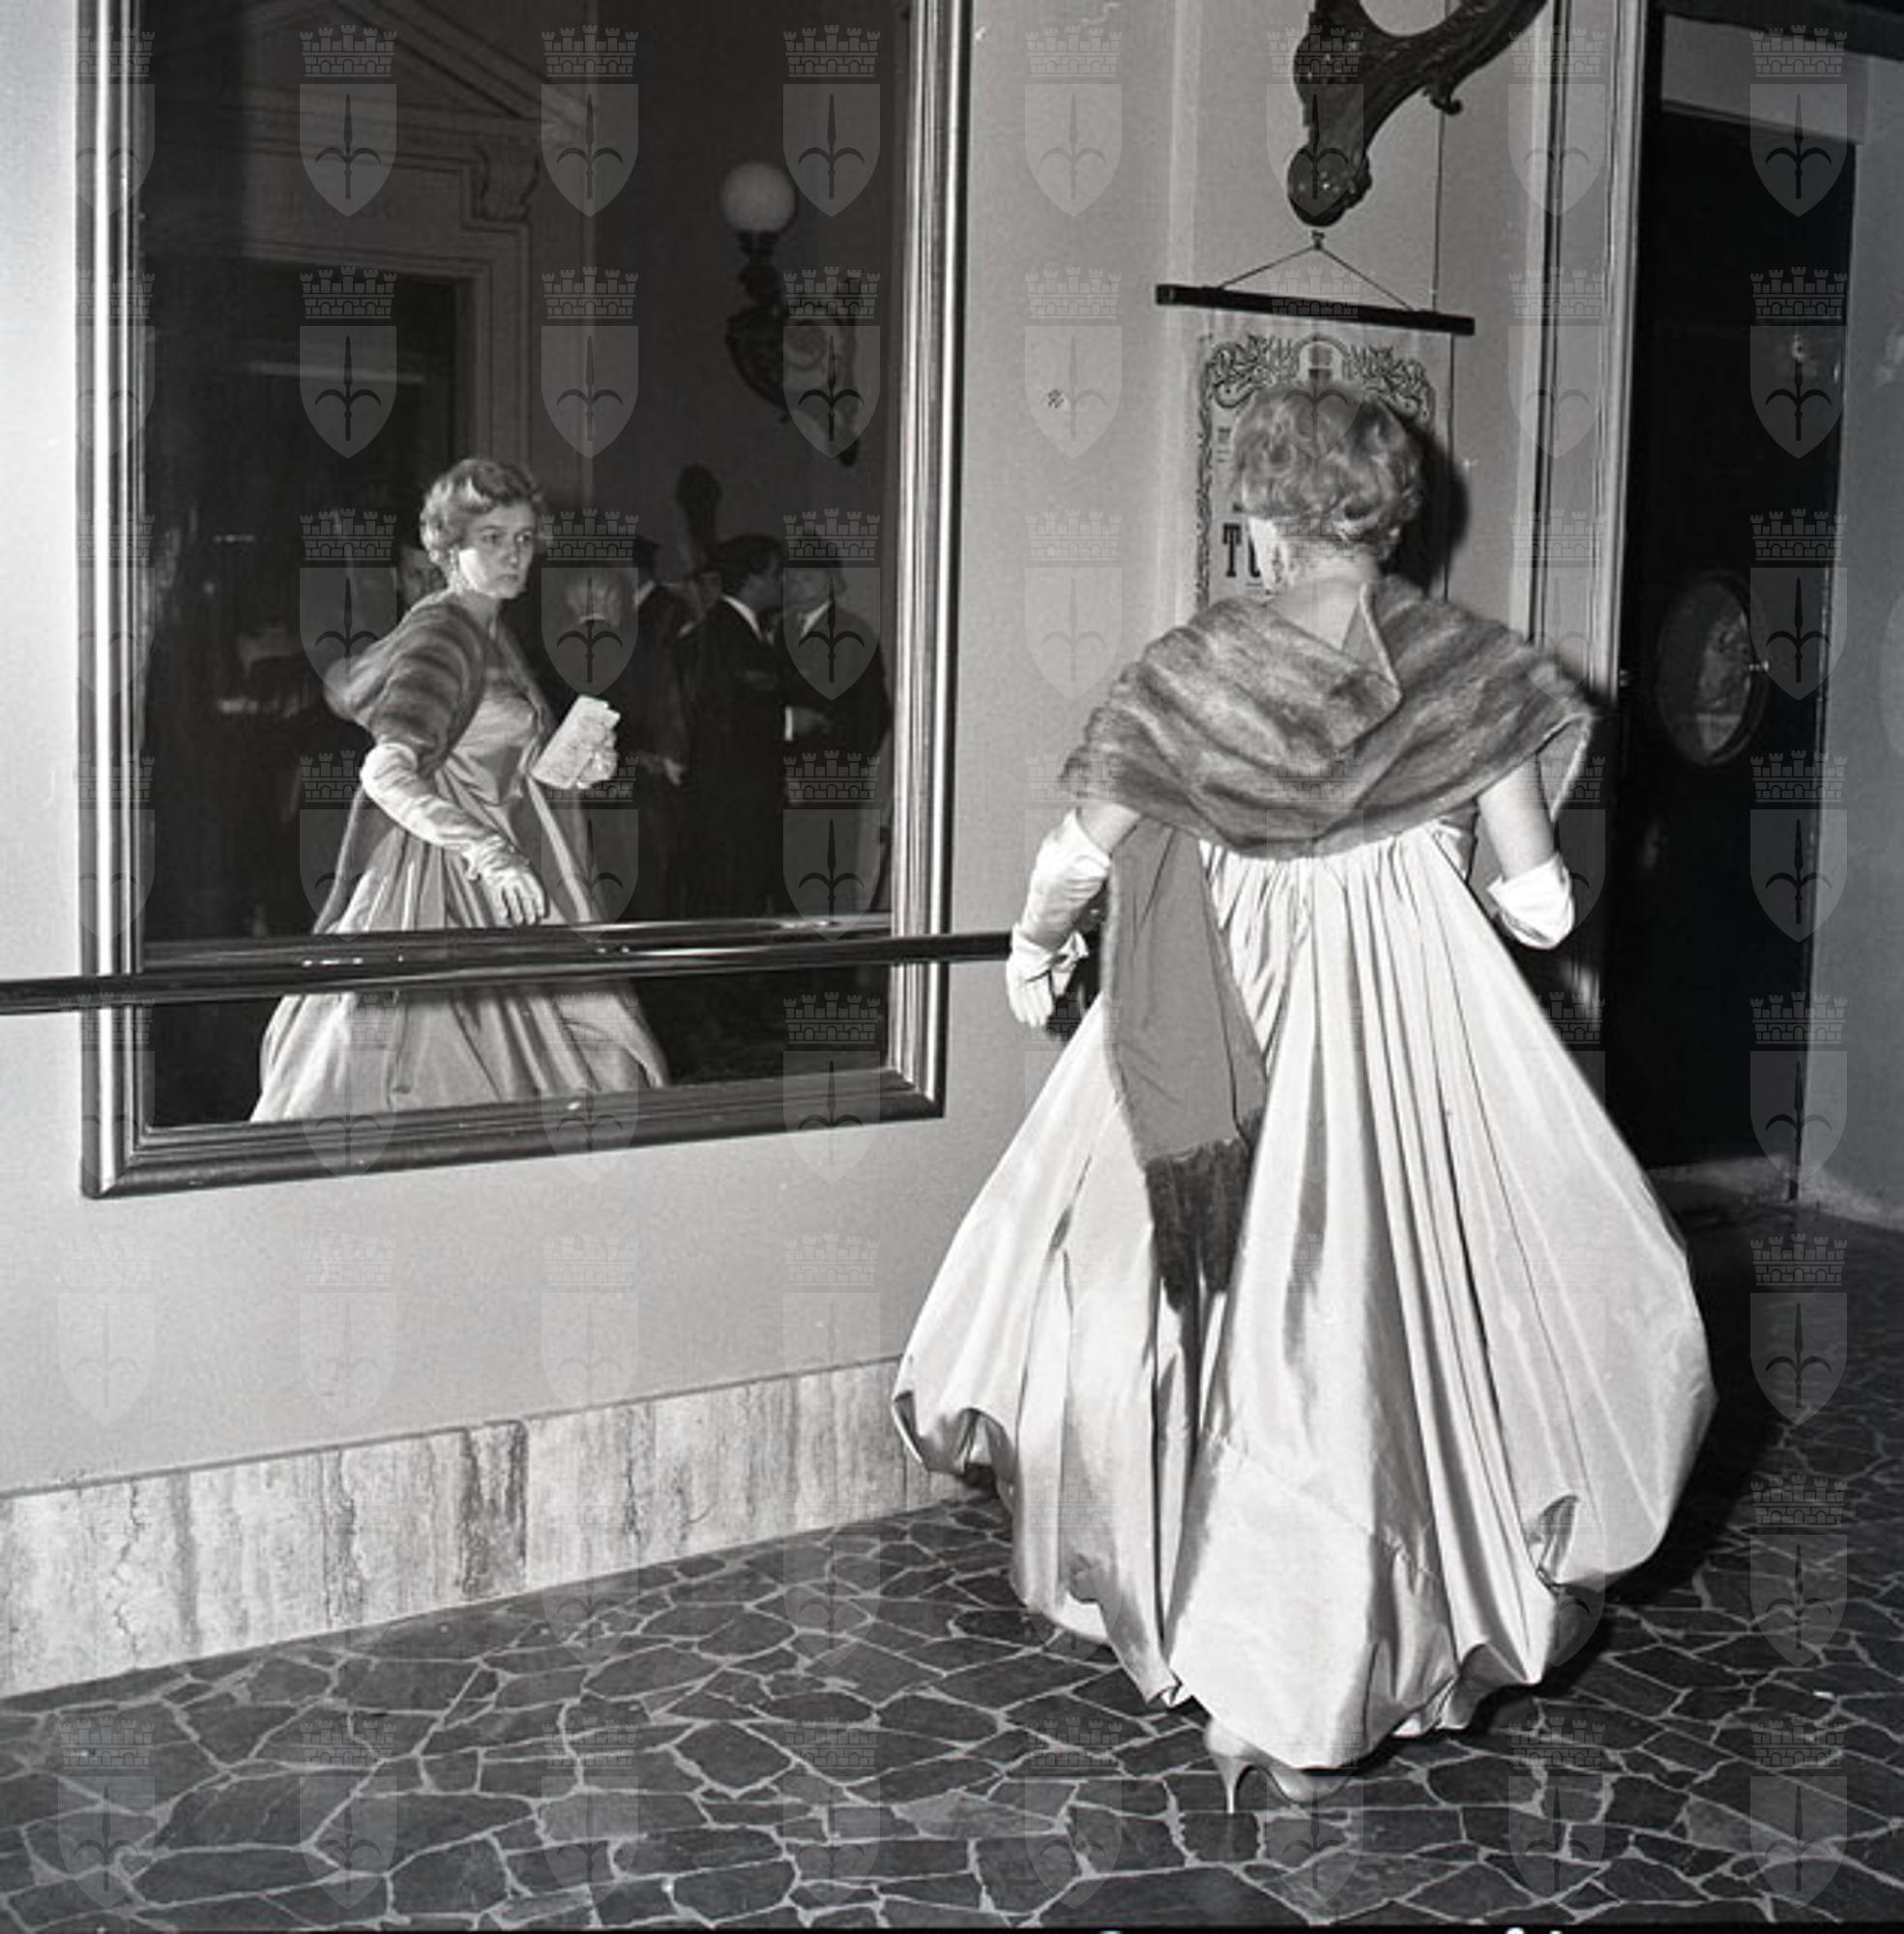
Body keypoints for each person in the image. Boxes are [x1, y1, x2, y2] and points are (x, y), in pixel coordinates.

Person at [892, 388, 1715, 1806]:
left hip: (1220, 1027)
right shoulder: (1470, 670)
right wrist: (1442, 863)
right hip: (1413, 1041)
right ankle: (1336, 1656)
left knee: (1204, 1321)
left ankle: (1246, 1656)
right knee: (1393, 1329)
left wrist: (1033, 955)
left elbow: (1075, 857)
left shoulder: (1195, 671)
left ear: (1262, 519)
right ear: (1392, 518)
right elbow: (1538, 908)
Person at [252, 456, 668, 1119]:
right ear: (448, 548)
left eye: (524, 538)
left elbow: (496, 761)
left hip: (502, 881)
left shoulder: (488, 630)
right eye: (491, 538)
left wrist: (579, 763)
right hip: (442, 886)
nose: (514, 555)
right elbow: (385, 771)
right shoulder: (443, 632)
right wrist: (488, 850)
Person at [587, 535, 696, 923]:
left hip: (646, 769)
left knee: (649, 875)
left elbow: (672, 694)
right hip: (610, 765)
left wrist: (665, 754)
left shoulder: (667, 617)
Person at [681, 533, 788, 920]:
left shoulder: (735, 632)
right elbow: (719, 714)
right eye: (775, 573)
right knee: (731, 904)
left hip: (736, 803)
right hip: (731, 805)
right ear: (752, 579)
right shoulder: (724, 637)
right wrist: (789, 722)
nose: (782, 582)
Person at [779, 552, 893, 913]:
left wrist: (835, 771)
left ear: (831, 582)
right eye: (792, 579)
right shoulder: (782, 630)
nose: (797, 587)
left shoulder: (852, 633)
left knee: (826, 874)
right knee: (789, 875)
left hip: (828, 777)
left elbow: (872, 715)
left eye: (808, 578)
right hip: (781, 777)